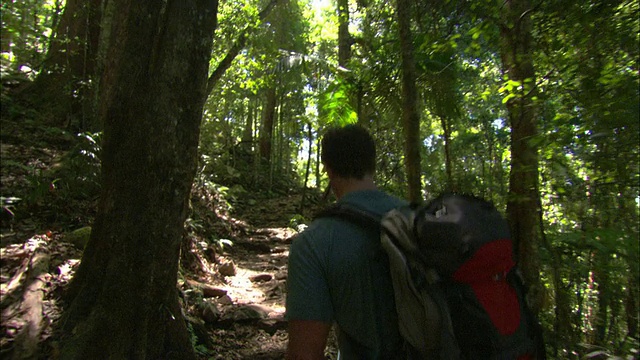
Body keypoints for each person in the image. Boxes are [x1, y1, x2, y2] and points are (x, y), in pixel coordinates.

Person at [285, 124, 407, 359]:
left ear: (328, 170)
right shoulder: (418, 219)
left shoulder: (314, 243)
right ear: (373, 164)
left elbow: (304, 353)